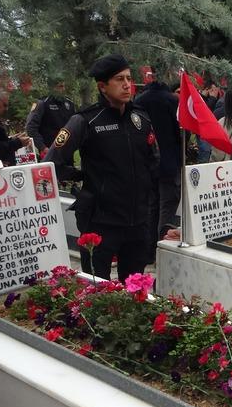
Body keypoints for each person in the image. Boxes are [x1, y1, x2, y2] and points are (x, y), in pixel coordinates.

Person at [45, 54, 159, 280]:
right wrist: (79, 176)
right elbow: (51, 162)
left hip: (137, 221)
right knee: (96, 287)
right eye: (119, 79)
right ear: (102, 86)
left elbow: (153, 159)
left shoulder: (141, 118)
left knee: (134, 287)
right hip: (100, 222)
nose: (127, 84)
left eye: (128, 78)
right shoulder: (86, 120)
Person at [134, 68, 181, 244]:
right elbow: (180, 133)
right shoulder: (171, 100)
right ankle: (161, 245)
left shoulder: (139, 100)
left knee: (151, 205)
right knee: (167, 207)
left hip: (146, 162)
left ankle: (148, 248)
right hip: (169, 162)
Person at [25, 79, 76, 153]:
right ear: (52, 88)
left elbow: (74, 127)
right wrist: (43, 147)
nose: (63, 89)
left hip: (67, 151)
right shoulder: (42, 103)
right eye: (60, 87)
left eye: (64, 86)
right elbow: (30, 127)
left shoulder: (69, 103)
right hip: (49, 152)